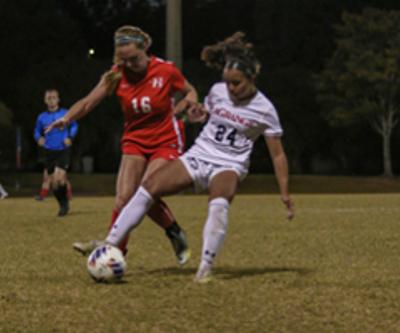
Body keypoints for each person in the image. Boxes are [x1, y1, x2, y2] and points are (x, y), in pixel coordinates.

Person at [99, 32, 294, 282]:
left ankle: (205, 267)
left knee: (219, 202)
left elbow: (277, 155)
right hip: (200, 154)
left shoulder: (265, 110)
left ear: (252, 79)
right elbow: (206, 116)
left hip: (229, 163)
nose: (231, 88)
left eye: (237, 83)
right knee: (148, 188)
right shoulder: (218, 91)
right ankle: (108, 245)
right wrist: (196, 114)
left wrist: (285, 193)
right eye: (227, 82)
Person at [47, 26, 198, 264]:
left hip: (165, 139)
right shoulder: (117, 74)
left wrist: (188, 106)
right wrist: (67, 118)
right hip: (135, 140)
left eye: (134, 59)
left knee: (147, 190)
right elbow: (88, 103)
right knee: (123, 198)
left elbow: (190, 92)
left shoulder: (166, 70)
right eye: (125, 60)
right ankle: (122, 250)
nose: (130, 65)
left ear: (144, 48)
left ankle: (130, 242)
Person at [34, 89, 78, 216]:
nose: (51, 100)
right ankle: (63, 203)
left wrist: (70, 137)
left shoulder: (65, 113)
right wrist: (39, 138)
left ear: (58, 99)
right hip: (49, 152)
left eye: (53, 97)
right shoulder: (41, 117)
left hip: (63, 150)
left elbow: (74, 125)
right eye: (48, 98)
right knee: (53, 183)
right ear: (45, 100)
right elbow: (37, 131)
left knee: (60, 178)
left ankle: (64, 205)